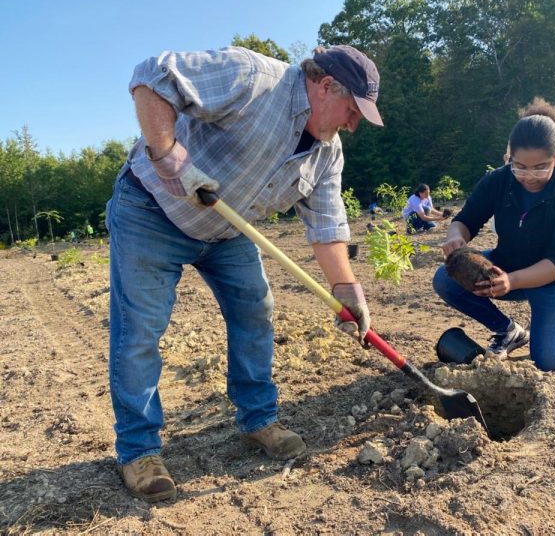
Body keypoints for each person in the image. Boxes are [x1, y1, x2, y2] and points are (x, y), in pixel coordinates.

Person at [106, 44, 383, 502]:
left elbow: (327, 223)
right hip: (151, 211)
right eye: (352, 110)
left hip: (228, 229)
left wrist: (346, 287)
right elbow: (152, 77)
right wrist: (167, 151)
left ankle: (259, 419)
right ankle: (139, 450)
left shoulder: (326, 153)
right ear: (326, 85)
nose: (353, 125)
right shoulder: (253, 77)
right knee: (140, 329)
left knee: (256, 312)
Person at [432, 97, 555, 374]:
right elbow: (466, 219)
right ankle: (508, 331)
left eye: (541, 167)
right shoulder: (498, 181)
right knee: (446, 277)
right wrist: (456, 237)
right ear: (510, 156)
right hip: (510, 265)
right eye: (519, 166)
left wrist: (512, 280)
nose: (528, 176)